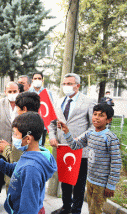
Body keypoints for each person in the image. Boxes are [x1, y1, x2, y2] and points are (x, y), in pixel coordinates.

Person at [0, 112, 57, 214]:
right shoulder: (30, 155)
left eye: (16, 134)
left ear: (28, 138)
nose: (13, 137)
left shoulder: (31, 168)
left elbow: (28, 209)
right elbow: (14, 170)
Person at [57, 103, 122, 214]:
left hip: (101, 183)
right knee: (91, 208)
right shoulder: (89, 133)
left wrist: (111, 185)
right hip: (90, 180)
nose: (96, 117)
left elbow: (116, 162)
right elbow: (74, 145)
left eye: (101, 115)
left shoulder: (110, 138)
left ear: (109, 120)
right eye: (94, 114)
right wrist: (66, 131)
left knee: (96, 210)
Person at [49, 73, 96, 214]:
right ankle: (66, 207)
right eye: (64, 84)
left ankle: (76, 210)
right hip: (62, 148)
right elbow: (51, 124)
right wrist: (52, 136)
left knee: (79, 182)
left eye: (69, 84)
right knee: (65, 179)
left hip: (80, 150)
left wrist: (79, 139)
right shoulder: (58, 102)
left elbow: (93, 126)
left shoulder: (88, 101)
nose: (66, 86)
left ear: (78, 85)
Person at [0, 81, 19, 211]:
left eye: (15, 91)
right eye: (9, 91)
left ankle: (12, 200)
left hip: (16, 148)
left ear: (19, 91)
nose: (12, 94)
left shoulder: (22, 105)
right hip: (1, 146)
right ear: (5, 92)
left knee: (15, 175)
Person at [1, 91, 41, 165]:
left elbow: (16, 160)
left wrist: (6, 148)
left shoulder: (23, 126)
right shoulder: (38, 122)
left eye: (17, 108)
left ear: (24, 109)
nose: (16, 111)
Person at [29, 72, 53, 146]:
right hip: (30, 124)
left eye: (39, 78)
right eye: (35, 78)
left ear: (42, 80)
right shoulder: (28, 92)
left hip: (43, 125)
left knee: (41, 147)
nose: (37, 80)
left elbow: (50, 108)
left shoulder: (47, 92)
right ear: (32, 80)